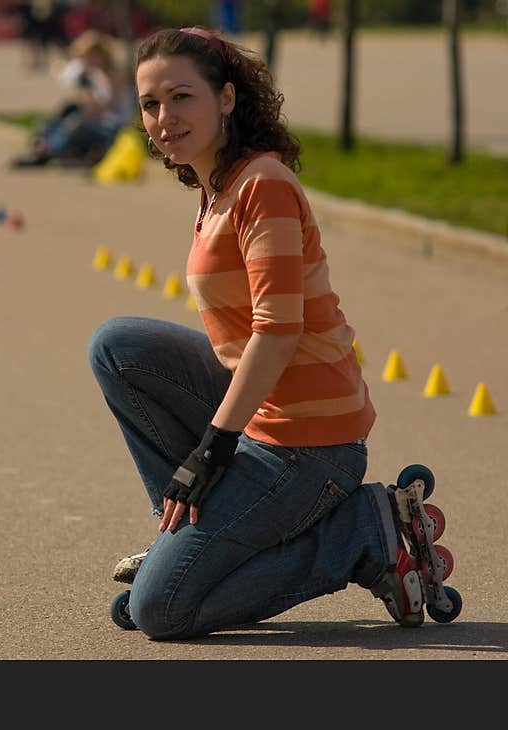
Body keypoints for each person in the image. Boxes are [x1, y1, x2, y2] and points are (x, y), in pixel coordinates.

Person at [87, 27, 457, 639]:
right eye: (151, 104)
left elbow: (278, 333)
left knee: (162, 611)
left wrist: (210, 449)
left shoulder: (263, 186)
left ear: (226, 99)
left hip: (312, 444)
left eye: (182, 97)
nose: (163, 118)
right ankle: (184, 540)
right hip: (265, 417)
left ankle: (363, 533)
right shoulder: (217, 188)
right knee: (118, 347)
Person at [10, 29, 135, 169]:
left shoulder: (116, 74)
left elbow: (107, 106)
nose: (85, 62)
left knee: (75, 124)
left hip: (114, 127)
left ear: (98, 55)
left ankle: (46, 151)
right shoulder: (96, 74)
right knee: (67, 110)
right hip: (100, 120)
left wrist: (88, 101)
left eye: (87, 57)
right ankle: (43, 144)